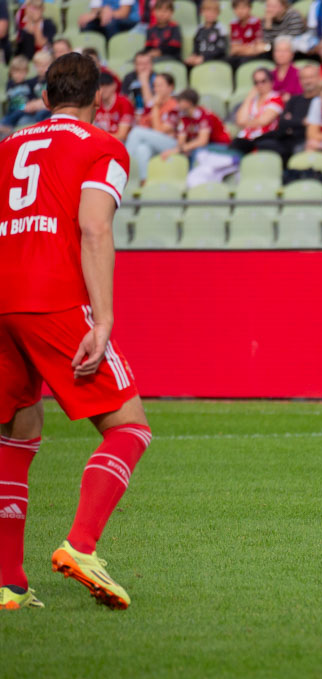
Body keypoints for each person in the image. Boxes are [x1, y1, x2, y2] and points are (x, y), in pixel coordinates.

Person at [0, 52, 153, 612]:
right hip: (53, 299)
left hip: (3, 302)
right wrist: (104, 319)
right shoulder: (103, 146)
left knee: (16, 435)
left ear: (44, 98)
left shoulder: (8, 147)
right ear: (100, 101)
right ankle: (81, 546)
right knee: (129, 427)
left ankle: (8, 583)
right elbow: (94, 227)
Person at [125, 72, 179, 182]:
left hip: (173, 144)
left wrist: (155, 107)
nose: (156, 89)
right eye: (154, 86)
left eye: (160, 85)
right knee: (142, 149)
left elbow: (159, 130)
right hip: (155, 143)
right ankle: (142, 181)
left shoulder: (175, 105)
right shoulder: (157, 104)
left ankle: (123, 167)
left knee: (136, 132)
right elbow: (144, 124)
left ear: (170, 87)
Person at [162, 88, 232, 166]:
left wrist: (181, 149)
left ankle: (193, 175)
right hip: (205, 145)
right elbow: (181, 140)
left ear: (188, 103)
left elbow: (202, 141)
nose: (177, 103)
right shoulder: (184, 116)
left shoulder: (204, 114)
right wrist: (177, 150)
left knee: (196, 151)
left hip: (220, 145)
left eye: (180, 100)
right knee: (185, 152)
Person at [232, 68, 286, 154]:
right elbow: (239, 120)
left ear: (271, 82)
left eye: (263, 81)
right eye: (256, 82)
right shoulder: (253, 100)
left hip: (264, 139)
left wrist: (244, 122)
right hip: (245, 138)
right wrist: (248, 98)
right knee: (235, 146)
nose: (260, 85)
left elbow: (263, 121)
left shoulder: (276, 98)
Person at [1, 54, 43, 134]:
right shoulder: (10, 84)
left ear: (26, 72)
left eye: (22, 72)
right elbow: (11, 99)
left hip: (27, 111)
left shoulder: (29, 83)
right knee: (6, 119)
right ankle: (7, 128)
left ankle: (9, 129)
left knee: (22, 120)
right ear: (11, 72)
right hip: (14, 109)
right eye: (16, 72)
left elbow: (34, 95)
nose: (19, 75)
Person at [93, 72, 135, 141]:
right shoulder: (95, 103)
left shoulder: (123, 102)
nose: (103, 89)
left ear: (114, 86)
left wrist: (98, 137)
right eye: (100, 86)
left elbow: (122, 135)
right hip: (104, 142)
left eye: (106, 85)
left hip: (124, 143)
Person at [186, 0, 229, 68]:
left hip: (216, 60)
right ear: (202, 12)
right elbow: (196, 47)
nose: (210, 14)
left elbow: (220, 50)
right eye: (207, 11)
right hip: (200, 59)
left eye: (213, 12)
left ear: (218, 13)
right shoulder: (199, 29)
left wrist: (204, 58)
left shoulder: (221, 29)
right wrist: (193, 56)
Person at [229, 0, 265, 64]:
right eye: (237, 8)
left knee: (244, 61)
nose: (240, 11)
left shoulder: (256, 22)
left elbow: (259, 48)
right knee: (227, 61)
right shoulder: (233, 24)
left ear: (249, 8)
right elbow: (233, 49)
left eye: (243, 8)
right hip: (239, 56)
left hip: (253, 57)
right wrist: (249, 48)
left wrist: (240, 49)